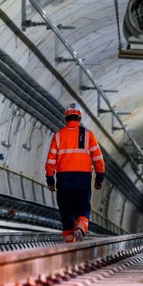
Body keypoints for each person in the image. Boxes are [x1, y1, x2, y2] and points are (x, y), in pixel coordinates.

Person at [45, 102, 105, 242]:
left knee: (66, 210)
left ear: (66, 118)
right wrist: (99, 177)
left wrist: (50, 178)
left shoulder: (59, 136)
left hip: (64, 179)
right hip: (82, 179)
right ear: (79, 118)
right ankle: (81, 227)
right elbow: (98, 158)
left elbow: (51, 159)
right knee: (83, 208)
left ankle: (69, 245)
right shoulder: (88, 135)